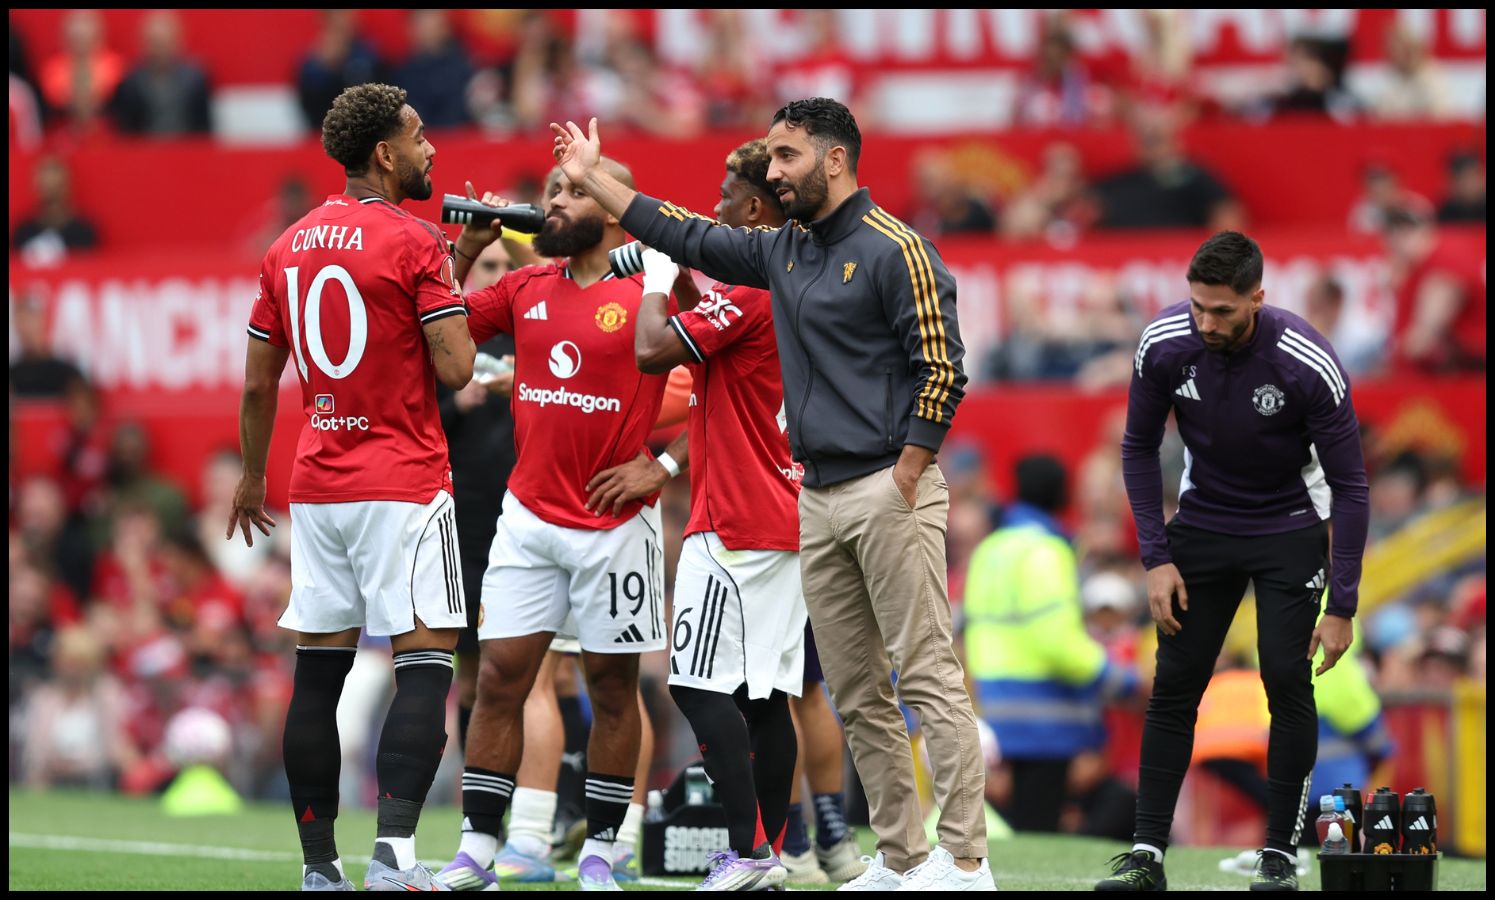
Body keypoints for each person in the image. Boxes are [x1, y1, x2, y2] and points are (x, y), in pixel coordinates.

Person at [551, 98, 995, 891]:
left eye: (788, 157)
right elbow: (684, 233)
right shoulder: (782, 251)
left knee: (924, 673)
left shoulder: (897, 248)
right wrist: (595, 182)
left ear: (834, 159)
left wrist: (908, 468)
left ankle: (962, 859)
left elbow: (943, 365)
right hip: (814, 495)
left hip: (885, 485)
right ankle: (899, 859)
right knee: (856, 691)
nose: (776, 172)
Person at [227, 82, 476, 892]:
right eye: (417, 134)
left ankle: (318, 868)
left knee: (318, 673)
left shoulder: (286, 246)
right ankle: (396, 858)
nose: (429, 147)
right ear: (384, 153)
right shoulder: (413, 241)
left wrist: (250, 476)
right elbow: (457, 368)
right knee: (426, 663)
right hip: (402, 480)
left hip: (318, 486)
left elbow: (261, 383)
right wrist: (456, 280)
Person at [1097, 231, 1368, 892]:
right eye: (1196, 306)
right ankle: (1146, 857)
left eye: (1221, 310)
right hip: (1204, 526)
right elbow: (1135, 448)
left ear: (1257, 297)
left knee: (1284, 678)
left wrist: (1343, 605)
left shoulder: (1306, 360)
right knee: (1175, 685)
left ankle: (1279, 857)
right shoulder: (1164, 343)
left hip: (1289, 527)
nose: (1205, 322)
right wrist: (1155, 558)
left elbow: (1353, 486)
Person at [434, 161, 670, 893]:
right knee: (500, 678)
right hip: (527, 519)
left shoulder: (650, 294)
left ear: (610, 208)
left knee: (610, 686)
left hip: (615, 526)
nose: (552, 205)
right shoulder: (525, 288)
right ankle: (478, 848)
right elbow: (434, 331)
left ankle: (600, 850)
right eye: (551, 194)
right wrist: (467, 250)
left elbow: (740, 384)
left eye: (570, 193)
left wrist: (663, 464)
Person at [610, 137, 805, 890]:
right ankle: (768, 855)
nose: (712, 211)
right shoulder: (788, 277)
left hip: (735, 519)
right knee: (763, 697)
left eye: (724, 198)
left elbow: (653, 351)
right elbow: (723, 340)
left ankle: (750, 854)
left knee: (694, 686)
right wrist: (689, 283)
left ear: (755, 207)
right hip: (783, 512)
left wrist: (659, 278)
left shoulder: (750, 285)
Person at [963, 454, 1137, 834]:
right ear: (1061, 493)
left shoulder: (990, 550)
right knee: (1039, 834)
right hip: (1045, 719)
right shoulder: (1046, 550)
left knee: (1012, 837)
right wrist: (1122, 680)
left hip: (996, 708)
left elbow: (974, 634)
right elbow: (1058, 643)